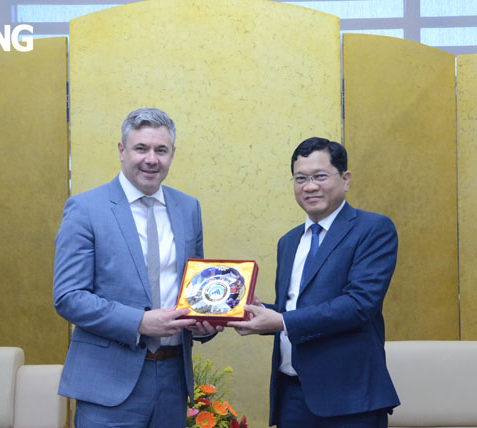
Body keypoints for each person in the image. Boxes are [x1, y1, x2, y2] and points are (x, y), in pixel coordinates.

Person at [53, 108, 220, 428]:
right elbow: (68, 296)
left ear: (172, 154)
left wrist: (204, 320)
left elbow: (195, 286)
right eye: (141, 148)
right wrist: (140, 322)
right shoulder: (86, 209)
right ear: (121, 150)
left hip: (173, 380)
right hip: (108, 384)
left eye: (161, 150)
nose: (151, 159)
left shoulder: (188, 208)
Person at [229, 137, 400, 427]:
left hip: (350, 400)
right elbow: (295, 308)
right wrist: (255, 311)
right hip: (291, 398)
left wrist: (281, 321)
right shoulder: (289, 241)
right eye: (301, 178)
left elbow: (359, 304)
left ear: (345, 179)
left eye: (320, 176)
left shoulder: (373, 229)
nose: (309, 186)